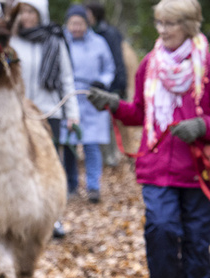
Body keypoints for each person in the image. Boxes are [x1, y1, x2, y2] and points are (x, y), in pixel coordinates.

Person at [87, 0, 210, 278]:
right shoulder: (149, 65)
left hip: (197, 171)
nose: (163, 30)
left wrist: (202, 126)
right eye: (160, 23)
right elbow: (139, 113)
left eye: (170, 23)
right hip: (157, 169)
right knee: (160, 229)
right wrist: (114, 105)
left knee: (197, 241)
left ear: (189, 25)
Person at [10, 0, 80, 238]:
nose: (26, 16)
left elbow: (67, 79)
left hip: (50, 113)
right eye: (22, 11)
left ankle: (53, 218)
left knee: (49, 165)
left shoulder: (55, 40)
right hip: (19, 113)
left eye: (31, 11)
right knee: (20, 164)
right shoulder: (12, 41)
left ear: (40, 14)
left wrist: (72, 114)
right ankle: (22, 218)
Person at [59, 4, 114, 204]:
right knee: (69, 145)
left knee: (91, 144)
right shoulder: (61, 42)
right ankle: (70, 185)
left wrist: (102, 82)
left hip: (92, 99)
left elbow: (109, 68)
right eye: (73, 23)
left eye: (80, 23)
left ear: (87, 24)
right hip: (69, 98)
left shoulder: (99, 43)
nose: (76, 28)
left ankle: (93, 186)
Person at [85, 1, 129, 166]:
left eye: (87, 13)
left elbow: (117, 61)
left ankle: (113, 157)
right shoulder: (90, 33)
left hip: (112, 85)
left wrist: (119, 87)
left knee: (111, 123)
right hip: (99, 85)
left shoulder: (109, 33)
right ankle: (106, 157)